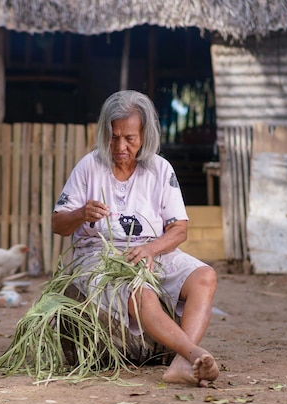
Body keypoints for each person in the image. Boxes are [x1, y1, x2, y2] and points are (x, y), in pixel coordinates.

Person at [51, 90, 219, 387]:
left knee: (205, 277)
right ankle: (194, 354)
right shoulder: (90, 166)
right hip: (100, 257)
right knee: (141, 291)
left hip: (153, 250)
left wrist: (151, 249)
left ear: (145, 136)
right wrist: (81, 213)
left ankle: (181, 363)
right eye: (114, 137)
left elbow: (179, 229)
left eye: (129, 138)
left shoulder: (159, 169)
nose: (120, 146)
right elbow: (58, 223)